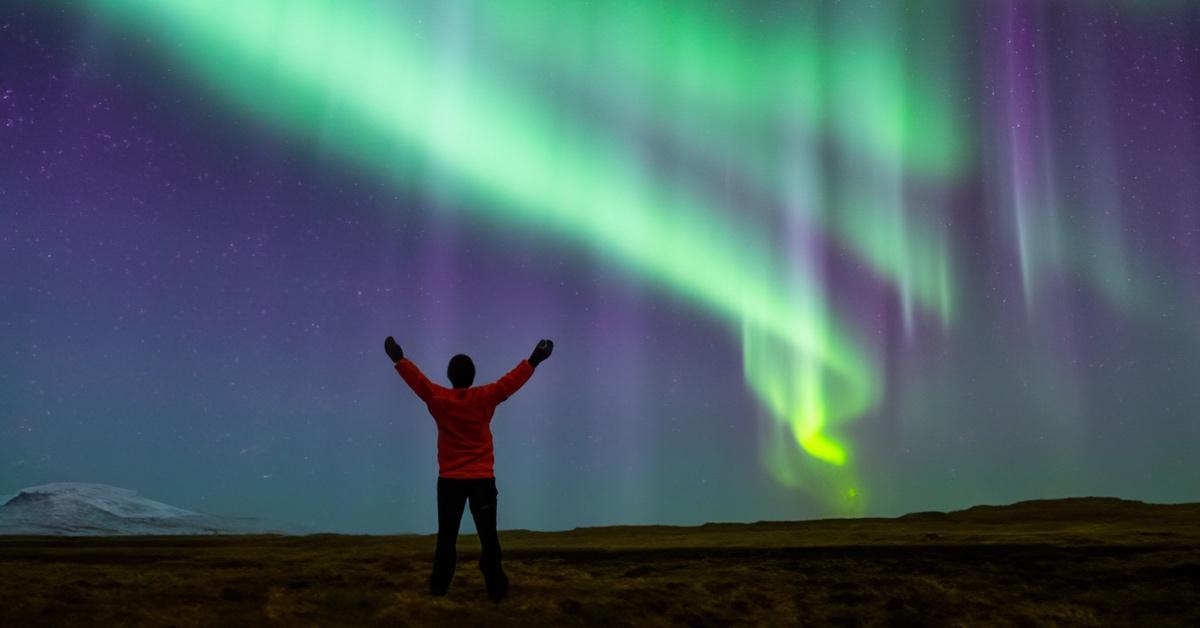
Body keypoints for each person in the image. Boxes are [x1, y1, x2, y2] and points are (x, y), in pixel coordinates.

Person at [384, 335, 554, 601]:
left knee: (447, 539)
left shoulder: (439, 399)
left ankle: (439, 588)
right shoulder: (484, 397)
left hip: (450, 481)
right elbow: (509, 383)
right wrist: (534, 359)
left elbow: (419, 384)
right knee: (489, 539)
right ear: (473, 376)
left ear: (450, 376)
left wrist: (398, 359)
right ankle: (497, 590)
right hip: (482, 481)